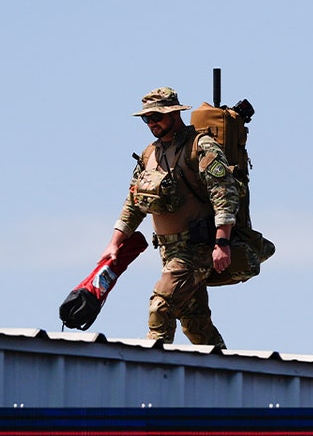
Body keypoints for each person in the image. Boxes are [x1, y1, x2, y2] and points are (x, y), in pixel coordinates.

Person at [99, 87, 243, 347]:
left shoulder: (200, 147)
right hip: (169, 251)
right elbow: (134, 203)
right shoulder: (149, 154)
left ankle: (156, 371)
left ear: (174, 113)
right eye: (147, 119)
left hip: (196, 248)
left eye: (156, 116)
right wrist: (114, 243)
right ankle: (224, 373)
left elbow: (224, 194)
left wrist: (222, 243)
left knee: (161, 307)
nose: (151, 123)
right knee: (195, 320)